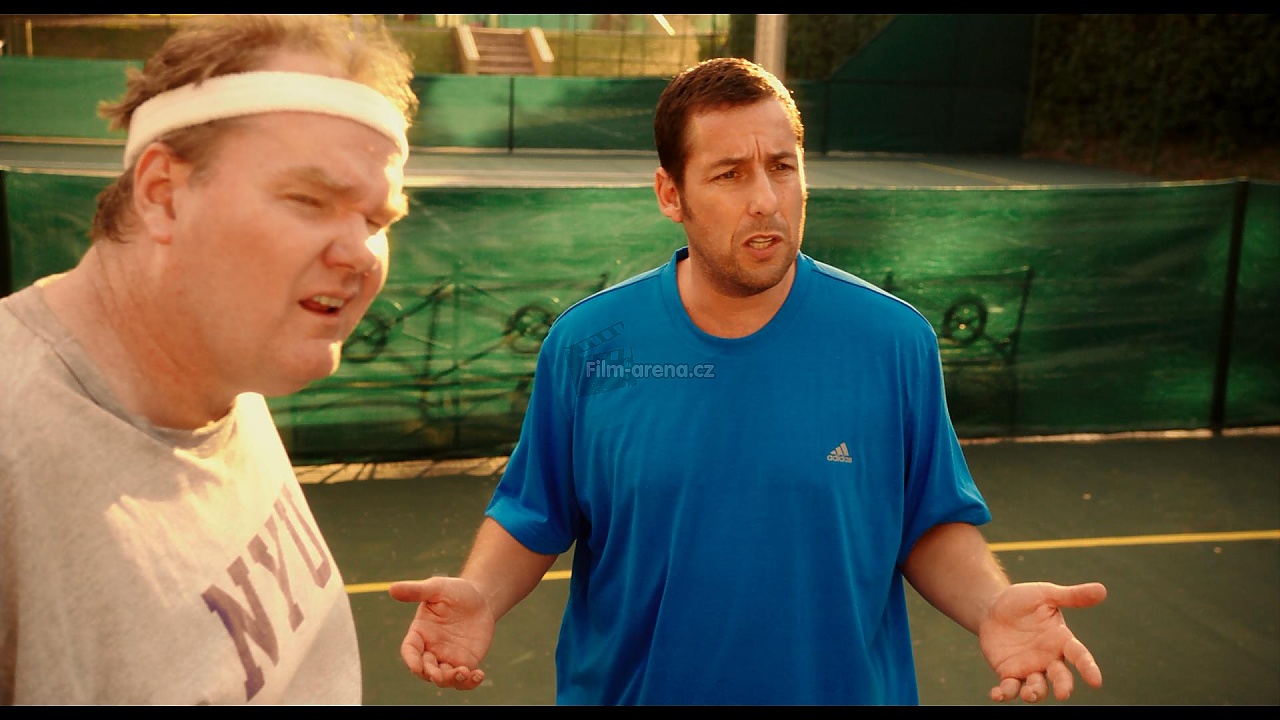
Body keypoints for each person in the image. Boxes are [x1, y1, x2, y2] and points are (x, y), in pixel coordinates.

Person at [389, 56, 1107, 706]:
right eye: (730, 173)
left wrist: (990, 605)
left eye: (782, 167)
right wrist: (480, 592)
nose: (765, 198)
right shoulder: (589, 345)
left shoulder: (894, 341)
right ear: (670, 193)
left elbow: (928, 519)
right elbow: (533, 511)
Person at [0, 14, 417, 704]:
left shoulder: (224, 373)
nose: (361, 256)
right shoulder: (15, 452)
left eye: (377, 221)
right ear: (163, 194)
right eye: (309, 200)